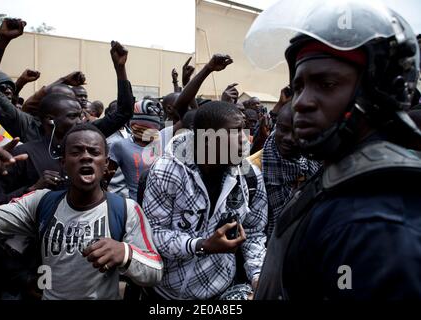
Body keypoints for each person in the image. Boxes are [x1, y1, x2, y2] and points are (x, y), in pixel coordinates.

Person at [246, 0, 421, 299]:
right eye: (298, 86)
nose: (301, 102)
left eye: (326, 84)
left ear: (379, 93)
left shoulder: (374, 225)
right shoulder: (339, 175)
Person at [0, 123, 163, 300]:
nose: (86, 156)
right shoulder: (40, 202)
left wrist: (125, 253)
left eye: (94, 152)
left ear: (105, 164)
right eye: (76, 151)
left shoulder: (126, 209)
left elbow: (155, 271)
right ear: (62, 163)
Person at [142, 54, 268, 300]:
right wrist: (202, 245)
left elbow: (254, 232)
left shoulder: (250, 175)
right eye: (234, 133)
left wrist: (257, 276)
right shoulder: (167, 171)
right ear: (206, 139)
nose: (245, 140)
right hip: (165, 294)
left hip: (220, 292)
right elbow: (154, 233)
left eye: (244, 131)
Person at [0, 19, 134, 142]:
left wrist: (120, 68)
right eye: (60, 99)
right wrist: (2, 40)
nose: (71, 105)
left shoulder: (84, 131)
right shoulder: (28, 127)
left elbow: (124, 112)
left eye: (72, 100)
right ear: (47, 113)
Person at [0, 93, 83, 206]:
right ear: (50, 120)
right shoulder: (23, 154)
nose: (80, 122)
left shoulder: (86, 154)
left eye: (80, 116)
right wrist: (32, 189)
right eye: (72, 116)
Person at [261, 102, 320, 239]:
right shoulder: (252, 167)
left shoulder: (316, 165)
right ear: (275, 126)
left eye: (296, 131)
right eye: (283, 129)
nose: (288, 138)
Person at [108, 99, 162, 202]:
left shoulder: (163, 139)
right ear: (133, 124)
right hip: (136, 208)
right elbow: (105, 180)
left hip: (163, 208)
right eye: (145, 129)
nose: (149, 132)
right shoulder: (120, 146)